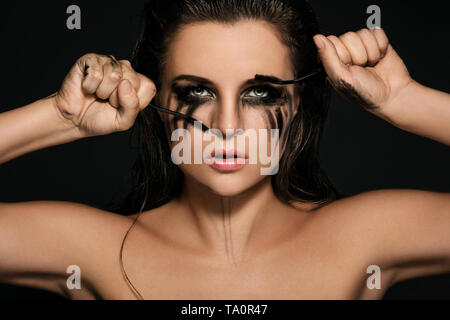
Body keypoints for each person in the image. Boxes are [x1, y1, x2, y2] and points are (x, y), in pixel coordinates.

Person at [0, 0, 449, 300]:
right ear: (156, 105)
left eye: (259, 93)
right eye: (196, 92)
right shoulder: (91, 246)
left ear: (297, 104)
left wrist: (405, 101)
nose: (227, 128)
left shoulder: (365, 236)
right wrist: (60, 117)